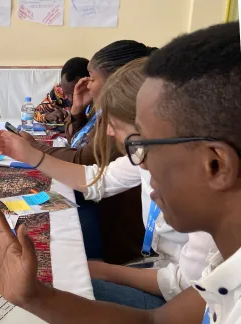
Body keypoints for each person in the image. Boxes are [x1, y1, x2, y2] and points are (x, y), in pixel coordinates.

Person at [0, 21, 241, 324]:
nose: (137, 164)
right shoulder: (226, 270)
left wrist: (75, 279)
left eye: (140, 146)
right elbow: (157, 320)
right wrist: (34, 296)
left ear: (215, 165)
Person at [19, 57, 205, 309]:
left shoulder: (204, 193)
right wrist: (31, 155)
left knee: (57, 286)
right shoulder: (144, 154)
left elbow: (186, 288)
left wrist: (104, 271)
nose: (107, 132)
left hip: (180, 300)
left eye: (114, 125)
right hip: (157, 268)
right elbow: (98, 179)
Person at [33, 41, 156, 265]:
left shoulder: (125, 120)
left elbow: (84, 160)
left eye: (92, 77)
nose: (86, 84)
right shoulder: (112, 119)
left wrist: (34, 148)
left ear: (117, 80)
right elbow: (88, 162)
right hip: (140, 255)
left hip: (128, 247)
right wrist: (77, 112)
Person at [34, 57, 89, 123]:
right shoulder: (59, 91)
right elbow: (35, 113)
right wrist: (47, 116)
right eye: (66, 93)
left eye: (75, 93)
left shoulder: (97, 99)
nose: (71, 99)